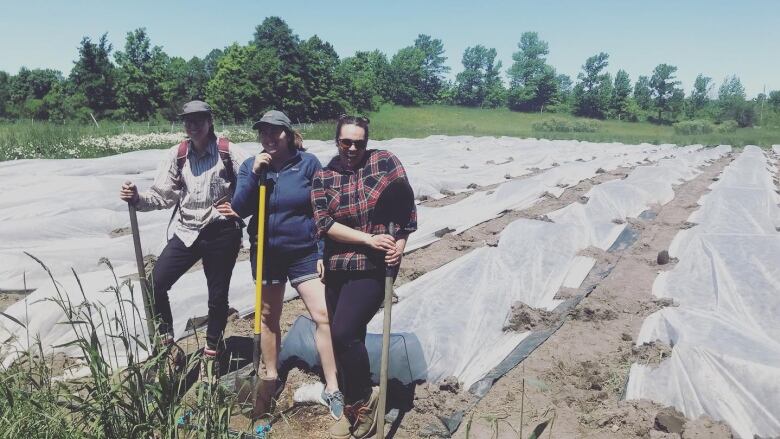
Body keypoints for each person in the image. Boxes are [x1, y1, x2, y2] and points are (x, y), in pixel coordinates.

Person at [225, 110, 343, 419]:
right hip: (267, 254)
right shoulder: (252, 166)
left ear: (288, 134)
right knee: (268, 316)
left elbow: (322, 210)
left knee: (323, 314)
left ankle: (333, 386)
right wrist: (253, 176)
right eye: (263, 133)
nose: (268, 138)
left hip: (303, 251)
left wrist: (321, 252)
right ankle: (271, 375)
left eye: (275, 132)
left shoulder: (308, 164)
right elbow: (239, 208)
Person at [119, 100, 245, 381]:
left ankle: (212, 350)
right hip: (187, 230)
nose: (193, 125)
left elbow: (252, 179)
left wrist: (239, 205)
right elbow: (163, 195)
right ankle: (168, 346)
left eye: (199, 119)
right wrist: (137, 198)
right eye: (188, 120)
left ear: (210, 121)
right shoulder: (177, 155)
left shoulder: (228, 151)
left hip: (221, 231)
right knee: (155, 284)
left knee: (217, 295)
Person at [311, 115, 417, 439]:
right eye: (346, 142)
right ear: (337, 141)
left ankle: (363, 399)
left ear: (366, 142)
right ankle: (353, 406)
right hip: (338, 265)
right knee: (346, 338)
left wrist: (398, 246)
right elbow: (324, 223)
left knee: (343, 332)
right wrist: (366, 237)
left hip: (374, 265)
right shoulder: (324, 176)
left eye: (359, 142)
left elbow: (406, 213)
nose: (353, 148)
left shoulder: (385, 162)